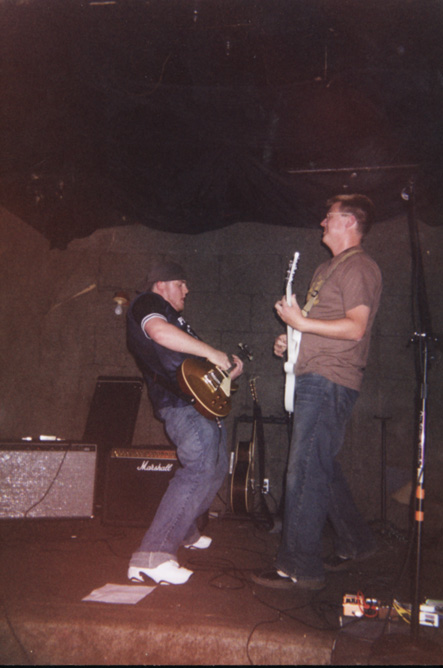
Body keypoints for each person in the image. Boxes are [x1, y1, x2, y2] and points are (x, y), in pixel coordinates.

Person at [252, 193, 382, 591]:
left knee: (305, 469)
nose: (322, 223)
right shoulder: (327, 269)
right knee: (320, 465)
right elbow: (315, 324)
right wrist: (291, 340)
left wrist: (303, 326)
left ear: (349, 222)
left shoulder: (359, 266)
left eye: (329, 217)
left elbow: (355, 327)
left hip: (329, 379)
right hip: (312, 374)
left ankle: (300, 566)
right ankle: (357, 541)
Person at [126, 260, 244, 585]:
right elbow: (159, 332)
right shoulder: (148, 302)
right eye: (181, 283)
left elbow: (192, 368)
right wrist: (213, 353)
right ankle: (152, 556)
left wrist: (226, 372)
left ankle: (186, 530)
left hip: (197, 403)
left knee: (216, 467)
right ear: (160, 285)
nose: (187, 290)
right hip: (179, 405)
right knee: (200, 467)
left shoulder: (179, 322)